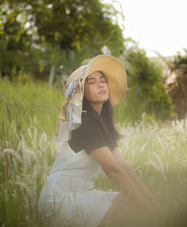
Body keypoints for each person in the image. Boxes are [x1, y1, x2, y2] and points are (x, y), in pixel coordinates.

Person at [38, 55, 161, 227]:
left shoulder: (101, 121)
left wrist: (156, 206)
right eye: (92, 82)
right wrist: (153, 214)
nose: (101, 84)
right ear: (81, 91)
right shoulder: (85, 121)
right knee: (134, 215)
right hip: (60, 200)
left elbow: (123, 167)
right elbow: (113, 171)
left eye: (103, 80)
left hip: (82, 194)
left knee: (133, 203)